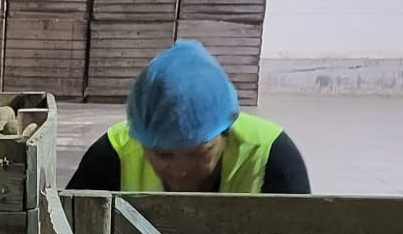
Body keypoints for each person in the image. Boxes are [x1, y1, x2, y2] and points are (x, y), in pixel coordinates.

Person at [66, 40, 311, 194]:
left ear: (226, 131)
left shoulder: (271, 158)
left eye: (198, 153)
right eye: (162, 155)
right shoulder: (111, 158)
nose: (181, 171)